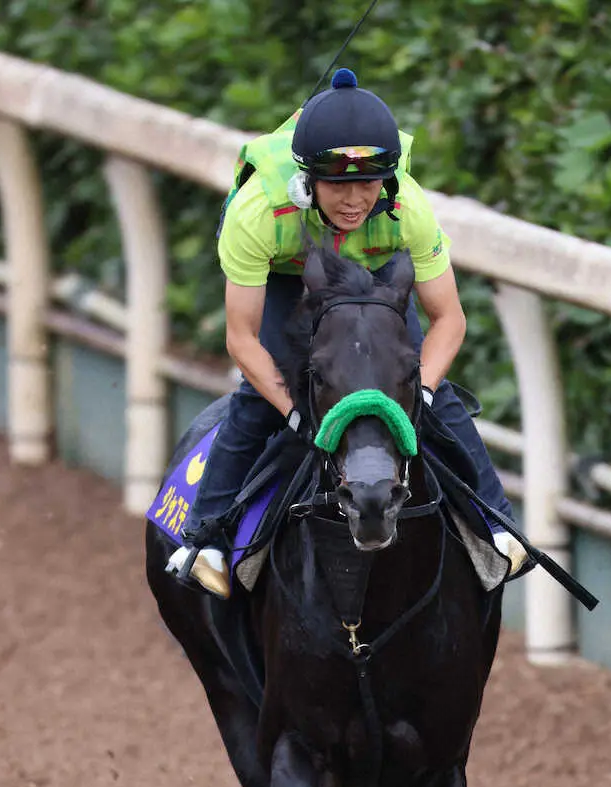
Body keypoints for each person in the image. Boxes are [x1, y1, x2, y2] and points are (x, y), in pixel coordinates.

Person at [167, 67, 527, 597]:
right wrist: (291, 407)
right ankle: (207, 537)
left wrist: (419, 390)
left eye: (368, 183)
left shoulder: (410, 211)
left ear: (389, 180)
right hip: (289, 276)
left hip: (376, 280)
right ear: (308, 180)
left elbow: (449, 320)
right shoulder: (260, 213)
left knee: (426, 392)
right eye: (338, 184)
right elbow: (241, 338)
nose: (355, 199)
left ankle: (498, 523)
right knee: (257, 399)